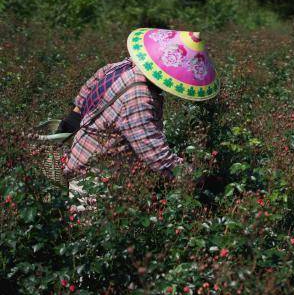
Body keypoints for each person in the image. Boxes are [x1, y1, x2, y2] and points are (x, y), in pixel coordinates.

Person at [60, 29, 219, 208]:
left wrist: (72, 120)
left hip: (83, 158)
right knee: (91, 230)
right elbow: (157, 157)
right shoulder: (139, 97)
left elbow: (84, 96)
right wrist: (197, 176)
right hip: (96, 181)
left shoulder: (121, 66)